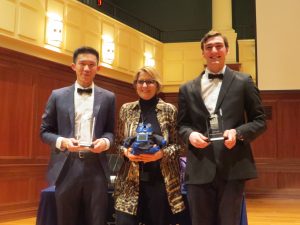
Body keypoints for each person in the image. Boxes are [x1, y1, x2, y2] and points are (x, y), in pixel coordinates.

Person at [177, 30, 267, 225]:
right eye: (209, 47)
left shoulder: (244, 81)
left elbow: (259, 120)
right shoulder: (187, 88)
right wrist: (190, 135)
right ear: (203, 52)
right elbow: (182, 125)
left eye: (219, 46)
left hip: (232, 166)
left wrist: (238, 132)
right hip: (199, 167)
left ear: (226, 50)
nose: (214, 51)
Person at [40, 46, 115, 225]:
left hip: (96, 167)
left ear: (98, 68)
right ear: (73, 66)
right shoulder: (57, 96)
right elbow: (44, 132)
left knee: (97, 219)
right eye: (82, 64)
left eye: (91, 64)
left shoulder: (108, 97)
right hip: (67, 166)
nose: (87, 69)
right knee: (66, 219)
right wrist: (63, 141)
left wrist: (105, 141)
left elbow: (111, 131)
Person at [113, 66, 185, 225]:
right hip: (129, 183)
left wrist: (161, 154)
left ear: (157, 85)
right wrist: (126, 152)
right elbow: (118, 143)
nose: (144, 86)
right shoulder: (126, 109)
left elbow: (179, 146)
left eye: (149, 82)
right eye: (141, 82)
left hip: (160, 182)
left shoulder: (169, 110)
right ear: (135, 84)